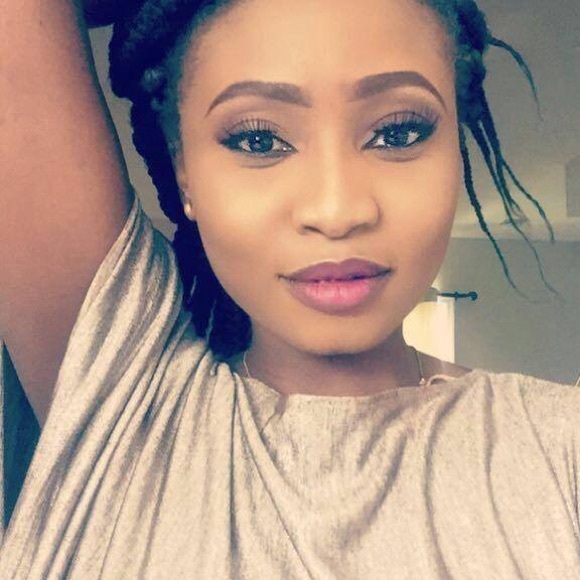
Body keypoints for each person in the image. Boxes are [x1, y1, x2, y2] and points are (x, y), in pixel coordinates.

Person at [0, 0, 578, 576]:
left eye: (397, 132)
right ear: (183, 172)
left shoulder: (560, 446)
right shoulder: (125, 414)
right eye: (258, 140)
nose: (337, 210)